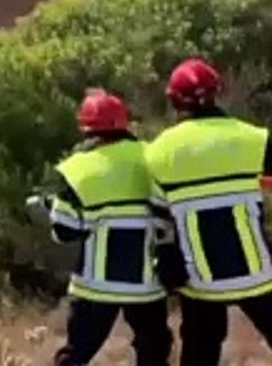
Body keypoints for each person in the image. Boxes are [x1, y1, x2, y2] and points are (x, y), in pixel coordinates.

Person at [144, 57, 272, 366]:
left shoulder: (158, 152)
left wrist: (164, 260)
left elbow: (159, 220)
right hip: (258, 274)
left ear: (174, 100)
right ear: (216, 92)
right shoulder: (248, 138)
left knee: (200, 355)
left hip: (202, 281)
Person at [39, 89, 173, 366]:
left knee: (76, 355)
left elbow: (64, 232)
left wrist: (52, 206)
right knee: (154, 352)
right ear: (125, 124)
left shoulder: (78, 169)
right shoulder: (154, 158)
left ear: (87, 130)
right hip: (146, 285)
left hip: (95, 287)